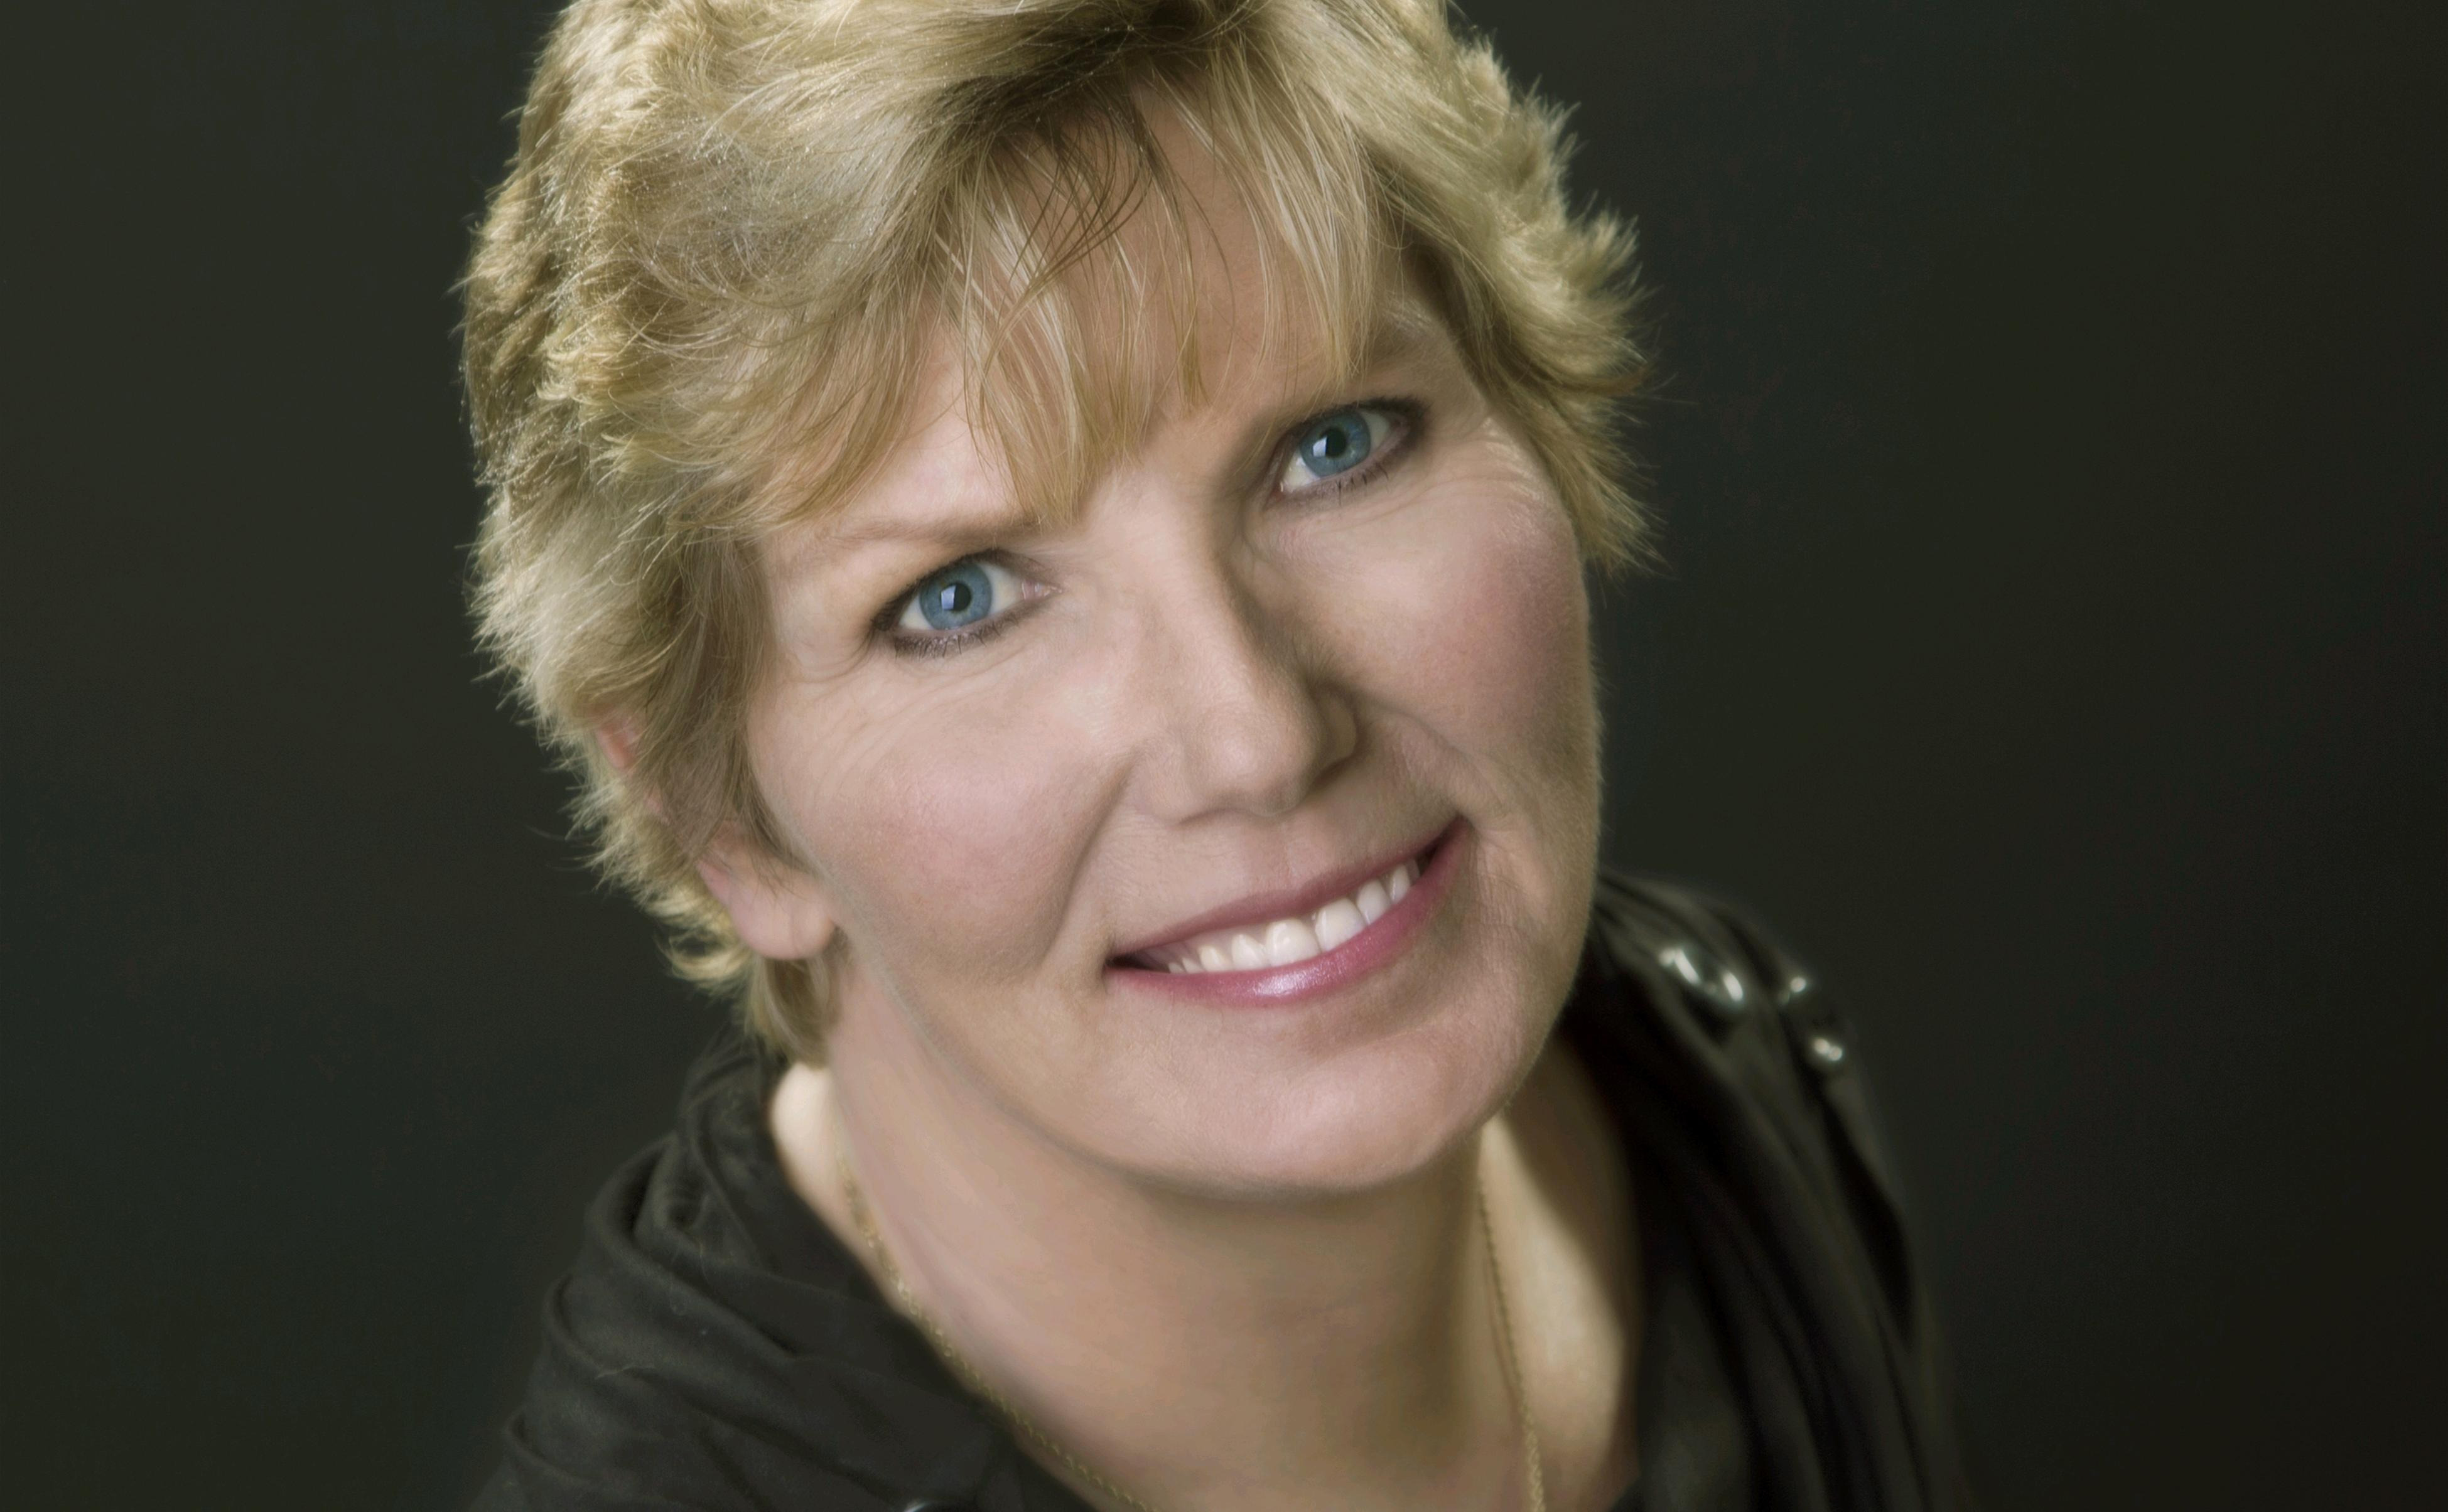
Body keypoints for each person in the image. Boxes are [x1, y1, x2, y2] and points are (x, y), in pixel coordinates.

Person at [460, 2, 1969, 1508]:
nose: (1258, 737)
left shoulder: (1733, 1081)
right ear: (723, 819)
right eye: (959, 598)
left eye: (1335, 445)